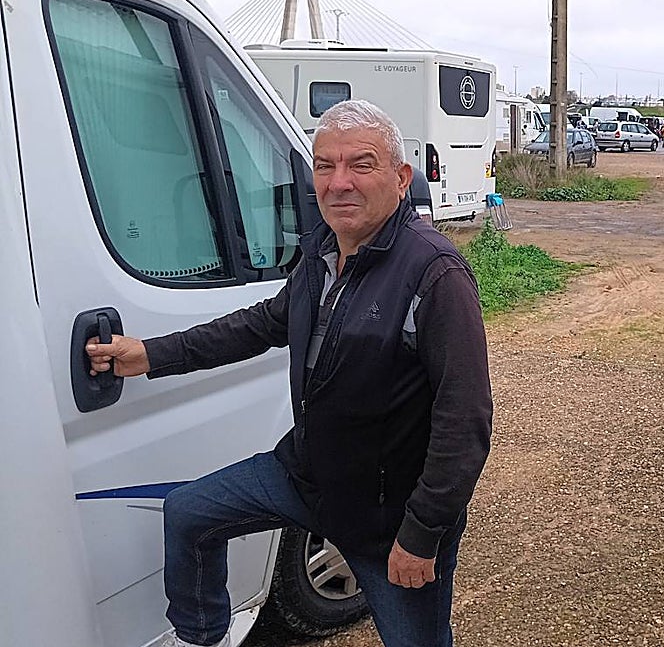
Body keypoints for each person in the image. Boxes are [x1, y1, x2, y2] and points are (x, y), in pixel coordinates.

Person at [87, 100, 493, 647]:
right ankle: (202, 636)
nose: (339, 182)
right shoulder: (323, 253)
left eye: (360, 164)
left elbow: (464, 419)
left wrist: (422, 533)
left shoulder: (434, 273)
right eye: (324, 166)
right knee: (189, 514)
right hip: (306, 475)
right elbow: (260, 325)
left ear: (401, 179)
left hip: (387, 516)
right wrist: (152, 355)